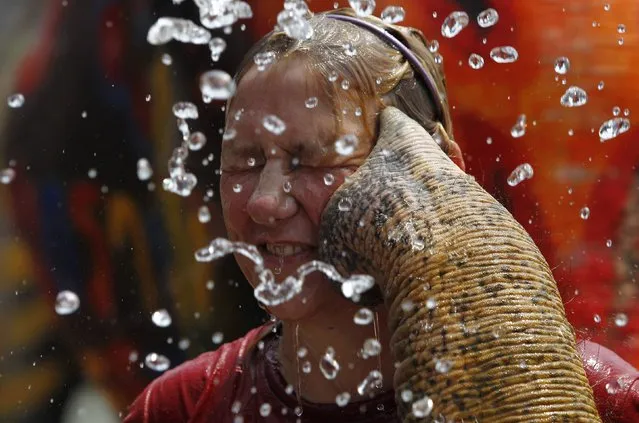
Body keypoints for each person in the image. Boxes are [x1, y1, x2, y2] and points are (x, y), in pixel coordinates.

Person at [125, 8, 639, 423]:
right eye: (246, 160)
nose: (263, 201)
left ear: (443, 170)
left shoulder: (603, 397)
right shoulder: (181, 408)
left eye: (313, 158)